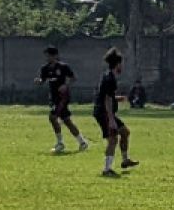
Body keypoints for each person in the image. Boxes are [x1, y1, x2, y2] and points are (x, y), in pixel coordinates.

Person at [33, 46, 88, 154]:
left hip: (63, 97)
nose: (47, 58)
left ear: (55, 56)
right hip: (53, 97)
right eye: (46, 56)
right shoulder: (45, 68)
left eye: (49, 55)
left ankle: (60, 143)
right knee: (67, 121)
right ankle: (82, 142)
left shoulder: (63, 67)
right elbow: (42, 80)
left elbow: (73, 78)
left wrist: (65, 85)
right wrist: (38, 81)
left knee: (52, 117)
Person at [93, 47, 138, 177]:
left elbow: (105, 95)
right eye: (122, 64)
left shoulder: (109, 75)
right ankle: (107, 169)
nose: (122, 66)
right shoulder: (110, 78)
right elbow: (106, 99)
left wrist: (116, 98)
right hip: (104, 113)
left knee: (125, 132)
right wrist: (111, 119)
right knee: (112, 140)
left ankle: (125, 160)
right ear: (118, 64)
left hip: (105, 111)